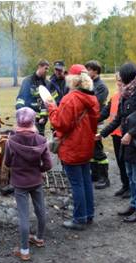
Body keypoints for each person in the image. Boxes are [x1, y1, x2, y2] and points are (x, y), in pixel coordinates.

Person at [98, 62, 136, 223]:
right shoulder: (127, 91)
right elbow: (119, 118)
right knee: (131, 174)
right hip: (127, 143)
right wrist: (102, 133)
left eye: (120, 77)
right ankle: (134, 205)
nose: (119, 80)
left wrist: (130, 133)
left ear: (127, 76)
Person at [46, 64, 99, 230]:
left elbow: (60, 124)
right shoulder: (92, 98)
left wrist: (51, 107)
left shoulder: (71, 99)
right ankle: (88, 214)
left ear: (73, 79)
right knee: (85, 181)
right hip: (86, 145)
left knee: (76, 183)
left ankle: (79, 219)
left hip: (72, 147)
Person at [4, 107, 52, 261]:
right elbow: (48, 165)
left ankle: (24, 250)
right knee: (40, 210)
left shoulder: (11, 141)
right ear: (33, 121)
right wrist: (39, 169)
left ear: (18, 121)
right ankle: (39, 238)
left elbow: (7, 162)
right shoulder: (41, 140)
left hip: (20, 183)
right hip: (36, 180)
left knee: (23, 215)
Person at [99, 73, 130, 198]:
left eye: (121, 81)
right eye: (117, 80)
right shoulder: (115, 97)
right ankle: (125, 185)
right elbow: (104, 113)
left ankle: (130, 188)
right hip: (116, 135)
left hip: (127, 136)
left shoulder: (129, 97)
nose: (119, 83)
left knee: (127, 162)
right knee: (120, 162)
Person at [15, 59, 58, 136]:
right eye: (46, 68)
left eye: (48, 69)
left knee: (39, 143)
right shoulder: (28, 81)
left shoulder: (47, 84)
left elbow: (50, 102)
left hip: (40, 122)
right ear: (39, 67)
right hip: (27, 119)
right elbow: (21, 99)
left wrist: (44, 118)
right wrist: (21, 113)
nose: (47, 71)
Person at [85, 60, 110, 189]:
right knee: (91, 149)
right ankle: (94, 174)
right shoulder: (89, 84)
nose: (86, 72)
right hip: (88, 122)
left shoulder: (101, 86)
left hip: (96, 122)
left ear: (95, 70)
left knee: (98, 149)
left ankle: (104, 178)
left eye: (88, 69)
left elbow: (95, 105)